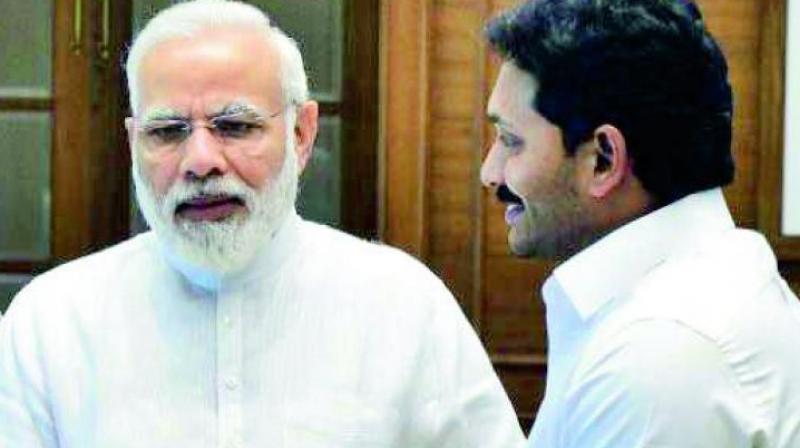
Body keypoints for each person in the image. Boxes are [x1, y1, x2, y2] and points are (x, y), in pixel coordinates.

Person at [0, 1, 526, 446]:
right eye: (167, 131)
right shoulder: (51, 325)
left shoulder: (404, 307)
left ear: (301, 134)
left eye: (234, 126)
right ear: (133, 142)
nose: (200, 160)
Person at [480, 0, 800, 446]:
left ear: (604, 159)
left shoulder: (660, 356)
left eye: (511, 141)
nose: (489, 173)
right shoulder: (713, 289)